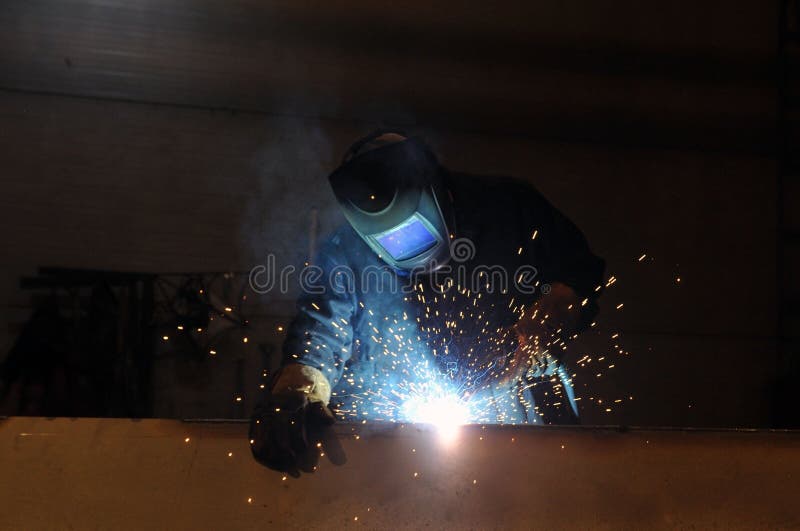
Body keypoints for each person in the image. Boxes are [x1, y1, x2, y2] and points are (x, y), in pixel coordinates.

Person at [250, 131, 605, 475]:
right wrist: (298, 389)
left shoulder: (511, 207)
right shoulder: (345, 250)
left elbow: (580, 272)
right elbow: (318, 334)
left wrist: (540, 323)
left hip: (526, 417)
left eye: (414, 232)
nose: (409, 253)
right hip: (406, 446)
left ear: (438, 196)